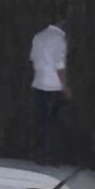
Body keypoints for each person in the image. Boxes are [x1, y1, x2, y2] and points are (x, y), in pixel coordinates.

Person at [29, 16, 72, 165]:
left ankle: (40, 155)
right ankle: (52, 157)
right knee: (54, 124)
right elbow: (59, 65)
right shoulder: (59, 39)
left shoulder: (39, 36)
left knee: (41, 122)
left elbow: (33, 58)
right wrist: (65, 85)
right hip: (53, 87)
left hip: (38, 83)